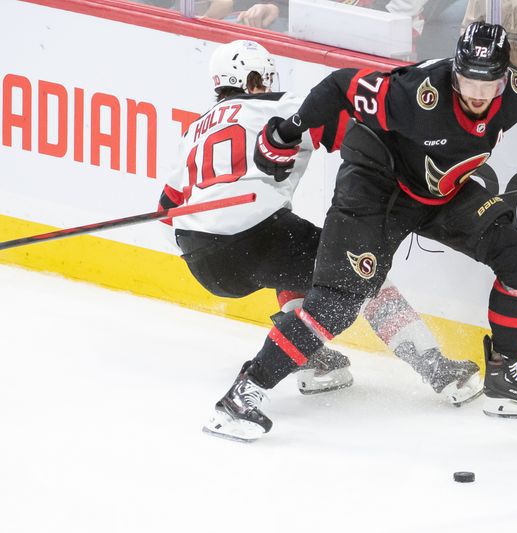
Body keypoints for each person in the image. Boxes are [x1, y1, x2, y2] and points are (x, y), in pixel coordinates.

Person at [208, 23, 517, 442]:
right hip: (374, 188)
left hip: (436, 193)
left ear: (506, 78)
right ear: (454, 71)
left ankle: (505, 375)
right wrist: (288, 131)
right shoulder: (417, 95)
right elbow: (341, 85)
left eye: (488, 84)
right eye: (467, 79)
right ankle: (242, 397)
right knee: (336, 304)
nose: (477, 94)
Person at [157, 40, 483, 439]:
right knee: (362, 271)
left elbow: (166, 206)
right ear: (255, 79)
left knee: (301, 252)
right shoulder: (280, 107)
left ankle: (314, 363)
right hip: (256, 238)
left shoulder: (194, 130)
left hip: (200, 258)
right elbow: (362, 134)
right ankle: (435, 368)